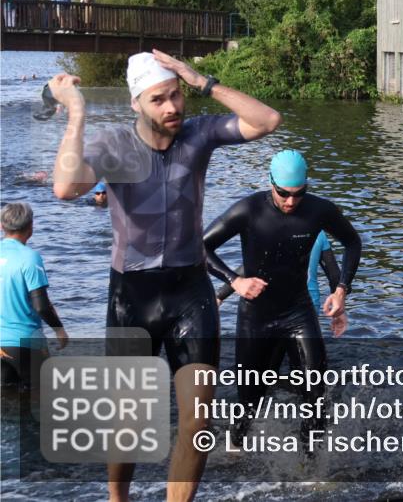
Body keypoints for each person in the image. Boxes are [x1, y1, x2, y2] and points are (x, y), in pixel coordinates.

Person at [47, 49, 282, 502]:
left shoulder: (199, 134)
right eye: (159, 99)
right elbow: (64, 186)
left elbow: (268, 119)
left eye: (175, 96)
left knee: (198, 421)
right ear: (136, 103)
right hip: (132, 296)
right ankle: (119, 498)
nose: (172, 106)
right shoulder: (113, 144)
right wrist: (76, 114)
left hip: (189, 291)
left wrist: (202, 82)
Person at [203, 150, 361, 437]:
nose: (291, 201)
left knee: (317, 393)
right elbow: (200, 247)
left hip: (298, 312)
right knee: (250, 402)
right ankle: (236, 447)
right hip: (256, 318)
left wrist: (341, 292)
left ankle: (310, 468)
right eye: (283, 193)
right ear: (271, 183)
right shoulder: (248, 210)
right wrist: (234, 281)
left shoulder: (319, 211)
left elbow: (353, 242)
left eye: (299, 194)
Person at [0, 203, 69, 392]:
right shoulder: (30, 258)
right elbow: (41, 305)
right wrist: (59, 330)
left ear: (1, 226)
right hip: (26, 343)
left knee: (7, 403)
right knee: (42, 400)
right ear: (30, 227)